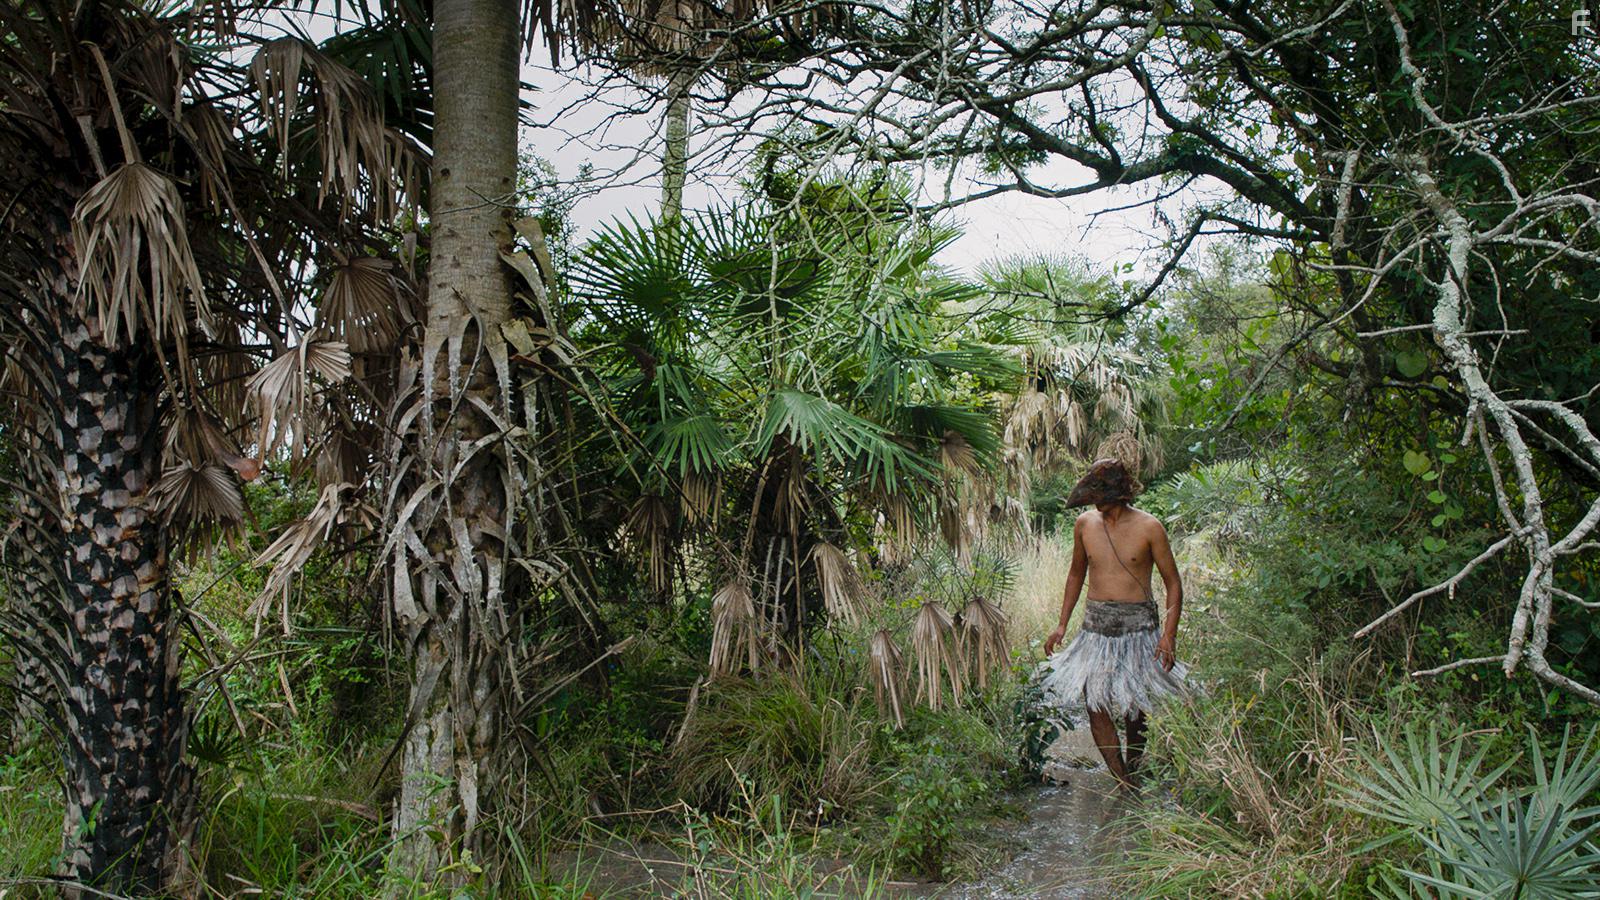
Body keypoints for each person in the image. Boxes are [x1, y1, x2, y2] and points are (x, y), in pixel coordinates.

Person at [1039, 457, 1188, 789]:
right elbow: (1076, 573)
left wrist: (1169, 635)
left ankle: (1133, 766)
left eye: (1099, 494)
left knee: (1136, 706)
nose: (1094, 502)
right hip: (1096, 627)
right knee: (1096, 702)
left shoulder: (1150, 527)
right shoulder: (1085, 524)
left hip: (1139, 626)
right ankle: (1124, 781)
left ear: (1119, 494)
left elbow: (1173, 583)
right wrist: (1062, 625)